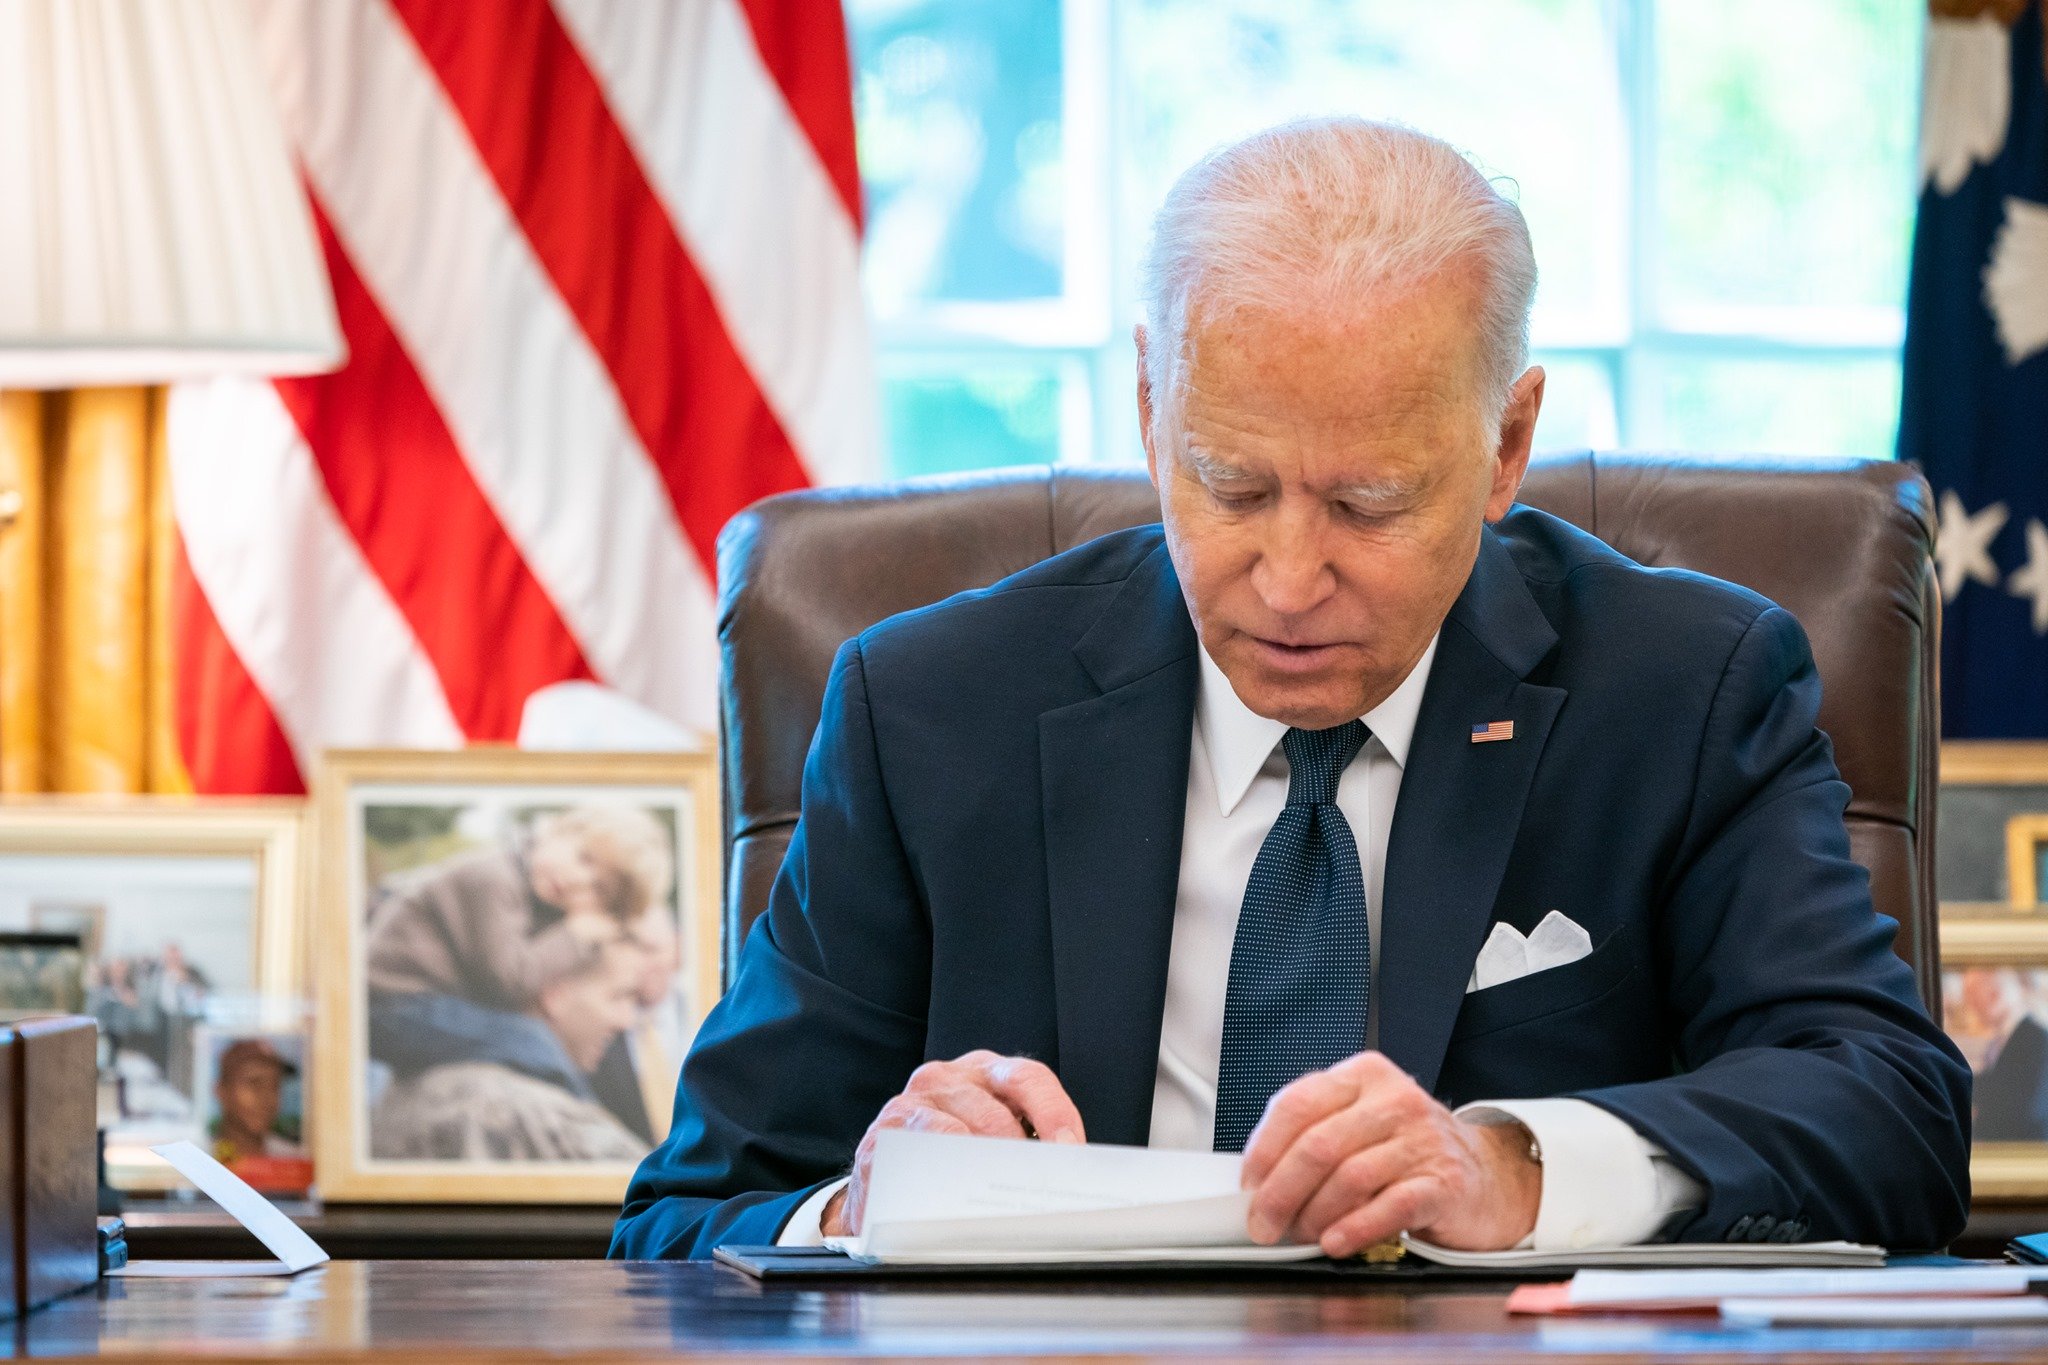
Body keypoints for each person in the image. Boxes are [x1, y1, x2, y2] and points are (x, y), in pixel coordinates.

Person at [612, 118, 1970, 1261]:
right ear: (1151, 412)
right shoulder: (929, 711)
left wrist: (1518, 1165)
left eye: (1368, 504)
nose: (1288, 578)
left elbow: (1889, 1111)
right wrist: (863, 1206)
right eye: (1232, 486)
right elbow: (685, 1216)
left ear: (1505, 446)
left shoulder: (1681, 693)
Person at [371, 937, 652, 1163]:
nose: (627, 1021)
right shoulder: (526, 1111)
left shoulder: (420, 1083)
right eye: (618, 996)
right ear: (555, 996)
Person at [211, 1038, 305, 1162]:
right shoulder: (197, 1161)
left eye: (274, 1086)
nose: (268, 1099)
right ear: (222, 1091)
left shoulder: (293, 1161)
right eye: (254, 1084)